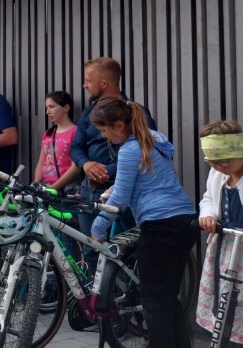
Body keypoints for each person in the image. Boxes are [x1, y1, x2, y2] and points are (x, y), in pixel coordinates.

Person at [89, 97, 196, 348]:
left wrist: (98, 227)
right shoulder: (153, 138)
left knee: (155, 302)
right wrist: (116, 187)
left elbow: (121, 201)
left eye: (105, 131)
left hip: (159, 226)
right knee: (168, 298)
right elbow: (149, 178)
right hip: (184, 220)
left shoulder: (129, 150)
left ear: (118, 125)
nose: (105, 137)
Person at [70, 57, 157, 273]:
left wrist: (108, 170)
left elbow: (147, 150)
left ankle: (125, 304)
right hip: (89, 191)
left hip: (123, 193)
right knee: (91, 251)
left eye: (88, 80)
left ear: (104, 83)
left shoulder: (135, 112)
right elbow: (76, 148)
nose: (84, 85)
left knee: (124, 253)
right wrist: (86, 164)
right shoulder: (87, 113)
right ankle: (94, 305)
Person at [195, 120, 243, 344]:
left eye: (225, 161)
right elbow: (208, 198)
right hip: (225, 247)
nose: (220, 167)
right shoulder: (218, 175)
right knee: (224, 300)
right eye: (214, 163)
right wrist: (207, 215)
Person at [32, 91, 80, 191]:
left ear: (66, 108)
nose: (47, 112)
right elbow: (41, 162)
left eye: (51, 107)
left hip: (65, 187)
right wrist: (36, 184)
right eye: (46, 108)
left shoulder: (75, 132)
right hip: (44, 187)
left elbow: (76, 166)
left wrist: (54, 187)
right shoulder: (48, 133)